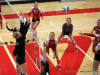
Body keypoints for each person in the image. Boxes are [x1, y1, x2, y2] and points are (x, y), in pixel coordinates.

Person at [6, 11, 25, 75]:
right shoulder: (20, 35)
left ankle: (19, 73)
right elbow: (22, 24)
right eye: (17, 28)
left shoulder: (17, 35)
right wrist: (22, 17)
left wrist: (22, 17)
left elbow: (21, 24)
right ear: (17, 32)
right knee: (19, 66)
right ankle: (20, 73)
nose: (18, 28)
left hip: (16, 50)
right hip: (17, 52)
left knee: (18, 65)